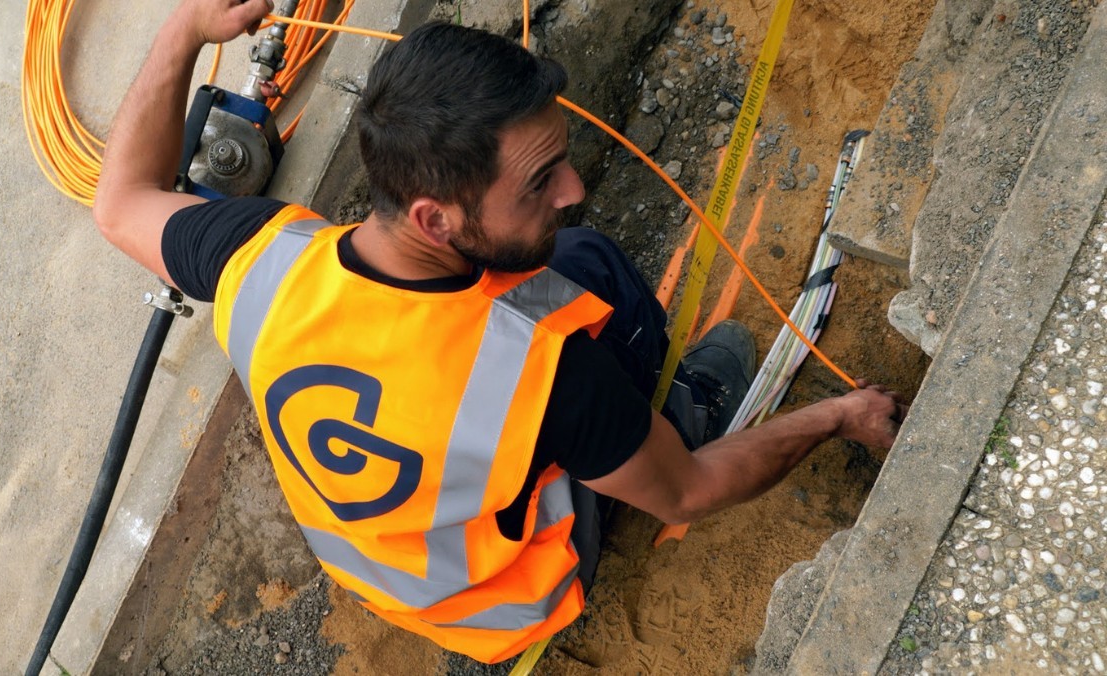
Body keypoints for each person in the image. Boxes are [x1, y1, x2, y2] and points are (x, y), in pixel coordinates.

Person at [94, 0, 907, 663]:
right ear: (433, 218)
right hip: (514, 596)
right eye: (537, 180)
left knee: (576, 253)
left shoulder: (260, 256)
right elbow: (690, 491)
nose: (573, 184)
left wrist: (182, 30)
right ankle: (685, 408)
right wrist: (837, 416)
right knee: (593, 289)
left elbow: (119, 201)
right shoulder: (538, 370)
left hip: (391, 566)